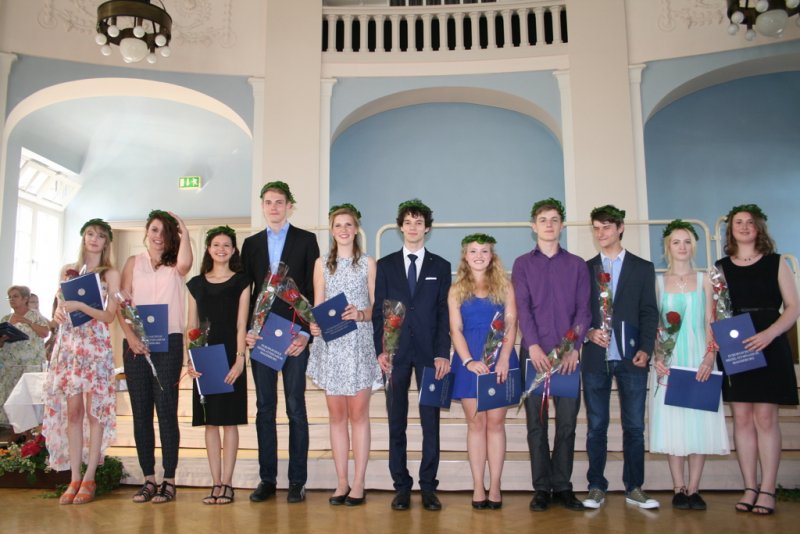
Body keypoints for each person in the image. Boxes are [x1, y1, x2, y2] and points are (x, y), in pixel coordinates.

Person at [715, 204, 798, 515]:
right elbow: (717, 309)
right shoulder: (721, 266)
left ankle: (768, 489)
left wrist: (770, 334)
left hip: (770, 342)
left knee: (765, 418)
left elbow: (793, 306)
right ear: (731, 229)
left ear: (759, 227)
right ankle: (750, 486)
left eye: (750, 222)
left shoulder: (777, 262)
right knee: (742, 418)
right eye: (738, 222)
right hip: (736, 344)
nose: (744, 226)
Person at [242, 181, 320, 503]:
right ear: (262, 206)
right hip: (261, 336)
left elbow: (313, 291)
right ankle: (267, 479)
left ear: (289, 206)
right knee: (264, 409)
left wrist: (306, 333)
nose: (273, 207)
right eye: (268, 202)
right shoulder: (250, 244)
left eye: (279, 202)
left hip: (294, 337)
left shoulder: (306, 240)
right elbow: (245, 293)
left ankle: (297, 481)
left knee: (295, 408)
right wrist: (246, 330)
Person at [511, 198, 590, 512]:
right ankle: (542, 488)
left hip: (568, 358)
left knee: (567, 424)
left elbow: (584, 311)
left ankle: (563, 487)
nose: (548, 225)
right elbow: (522, 308)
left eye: (554, 219)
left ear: (562, 225)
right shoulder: (522, 264)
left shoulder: (577, 265)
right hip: (535, 355)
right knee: (536, 425)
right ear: (534, 226)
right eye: (543, 220)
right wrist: (531, 345)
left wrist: (574, 348)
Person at [372, 199, 451, 512]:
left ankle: (429, 487)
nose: (413, 227)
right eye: (408, 222)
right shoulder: (386, 265)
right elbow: (379, 311)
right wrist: (381, 349)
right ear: (400, 227)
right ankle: (401, 487)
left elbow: (444, 313)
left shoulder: (440, 266)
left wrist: (443, 353)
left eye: (419, 222)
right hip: (396, 355)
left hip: (430, 356)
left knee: (431, 423)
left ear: (427, 228)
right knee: (397, 422)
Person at [582, 205, 659, 509]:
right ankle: (596, 487)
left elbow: (649, 312)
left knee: (635, 428)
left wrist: (646, 349)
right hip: (595, 358)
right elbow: (578, 311)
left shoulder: (642, 268)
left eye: (606, 227)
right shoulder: (585, 268)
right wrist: (588, 332)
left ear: (620, 228)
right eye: (596, 228)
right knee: (596, 427)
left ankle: (635, 487)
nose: (601, 233)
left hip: (632, 358)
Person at [649, 220, 730, 511]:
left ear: (693, 247)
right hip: (670, 359)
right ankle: (678, 488)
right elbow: (654, 324)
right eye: (676, 242)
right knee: (674, 422)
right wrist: (658, 356)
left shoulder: (706, 279)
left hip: (699, 356)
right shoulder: (658, 283)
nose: (681, 247)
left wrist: (710, 356)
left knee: (698, 422)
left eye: (686, 242)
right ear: (667, 248)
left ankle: (695, 488)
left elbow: (713, 321)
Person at [307, 204, 382, 507]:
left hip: (359, 344)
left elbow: (376, 306)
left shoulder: (368, 263)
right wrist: (313, 324)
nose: (343, 230)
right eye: (338, 225)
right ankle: (341, 482)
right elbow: (317, 304)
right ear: (331, 229)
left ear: (356, 228)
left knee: (359, 416)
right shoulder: (321, 264)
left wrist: (361, 314)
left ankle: (359, 482)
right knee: (337, 417)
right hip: (331, 346)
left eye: (348, 224)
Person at [42, 219, 120, 505]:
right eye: (90, 234)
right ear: (83, 237)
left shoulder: (110, 273)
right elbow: (60, 307)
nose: (94, 239)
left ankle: (89, 477)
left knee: (94, 411)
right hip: (70, 345)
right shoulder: (68, 270)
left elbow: (109, 316)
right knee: (73, 412)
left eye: (100, 235)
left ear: (106, 241)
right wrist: (60, 312)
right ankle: (73, 477)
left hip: (95, 346)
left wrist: (81, 306)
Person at [119, 210, 193, 504]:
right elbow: (122, 303)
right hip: (136, 343)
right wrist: (130, 337)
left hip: (168, 341)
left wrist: (184, 229)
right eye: (154, 230)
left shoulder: (176, 264)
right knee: (141, 413)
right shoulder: (132, 262)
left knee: (166, 411)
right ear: (146, 232)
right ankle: (148, 478)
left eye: (165, 231)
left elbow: (187, 263)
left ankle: (169, 479)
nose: (159, 236)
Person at [450, 233, 518, 510]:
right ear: (465, 257)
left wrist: (504, 359)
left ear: (492, 256)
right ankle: (478, 485)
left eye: (484, 251)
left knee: (496, 424)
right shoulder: (456, 290)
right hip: (469, 362)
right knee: (476, 424)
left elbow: (511, 324)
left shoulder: (506, 286)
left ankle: (496, 485)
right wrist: (468, 361)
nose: (479, 256)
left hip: (500, 362)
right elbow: (455, 329)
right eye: (473, 251)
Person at [186, 226, 250, 505]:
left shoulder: (242, 282)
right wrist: (190, 360)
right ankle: (215, 483)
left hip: (230, 356)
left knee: (230, 422)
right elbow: (191, 326)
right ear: (208, 249)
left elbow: (241, 324)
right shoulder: (195, 284)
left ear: (233, 250)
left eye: (226, 245)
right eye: (216, 245)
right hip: (205, 358)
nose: (221, 249)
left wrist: (240, 359)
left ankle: (228, 483)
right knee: (210, 423)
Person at [0, 285, 49, 426]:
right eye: (10, 297)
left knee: (28, 400)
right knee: (11, 398)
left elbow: (45, 333)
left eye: (15, 296)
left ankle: (29, 431)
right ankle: (12, 430)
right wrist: (3, 339)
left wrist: (28, 322)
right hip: (10, 367)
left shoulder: (35, 315)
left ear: (25, 298)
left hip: (30, 366)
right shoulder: (6, 318)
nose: (12, 299)